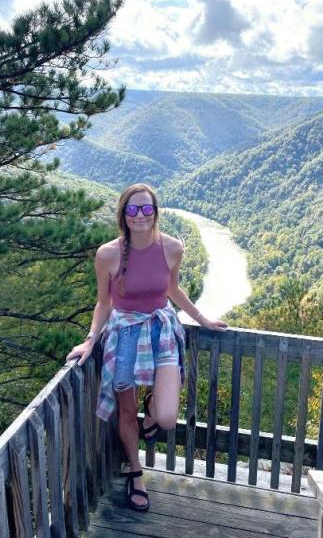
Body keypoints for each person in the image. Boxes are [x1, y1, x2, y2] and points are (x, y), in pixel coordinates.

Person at [66, 183, 226, 512]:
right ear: (123, 214)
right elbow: (103, 304)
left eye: (147, 208)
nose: (140, 215)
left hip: (162, 329)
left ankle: (152, 406)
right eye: (133, 209)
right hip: (124, 334)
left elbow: (173, 290)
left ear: (155, 212)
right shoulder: (108, 254)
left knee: (166, 418)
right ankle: (136, 474)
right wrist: (90, 340)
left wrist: (202, 318)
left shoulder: (172, 248)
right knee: (126, 411)